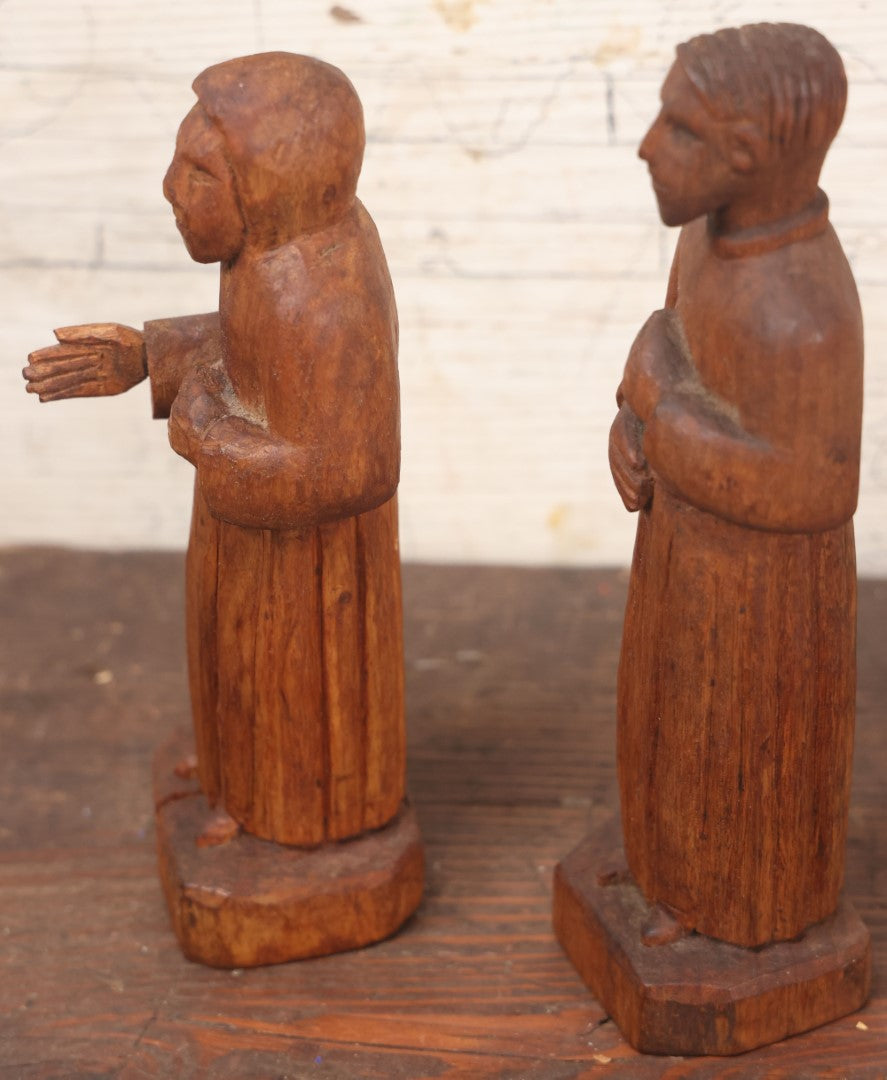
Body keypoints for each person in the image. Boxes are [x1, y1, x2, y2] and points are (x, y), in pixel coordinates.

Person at [24, 53, 406, 850]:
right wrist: (145, 357)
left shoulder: (323, 298)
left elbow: (357, 468)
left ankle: (291, 822)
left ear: (272, 190)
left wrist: (208, 435)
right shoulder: (272, 259)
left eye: (200, 175)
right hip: (250, 541)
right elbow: (246, 348)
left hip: (307, 571)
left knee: (289, 692)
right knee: (230, 660)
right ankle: (235, 779)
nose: (170, 188)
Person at [610, 24, 863, 947]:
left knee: (737, 757)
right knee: (662, 724)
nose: (646, 144)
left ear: (747, 156)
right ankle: (662, 875)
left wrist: (664, 421)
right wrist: (630, 417)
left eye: (677, 128)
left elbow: (814, 490)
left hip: (761, 609)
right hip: (685, 555)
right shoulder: (707, 242)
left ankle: (733, 909)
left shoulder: (805, 311)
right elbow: (667, 335)